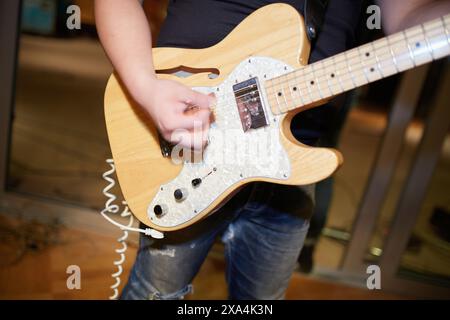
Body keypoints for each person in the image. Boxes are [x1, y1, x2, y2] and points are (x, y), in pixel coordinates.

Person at [95, 0, 450, 300]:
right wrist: (146, 90)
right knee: (155, 294)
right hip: (195, 135)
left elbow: (407, 16)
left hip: (292, 155)